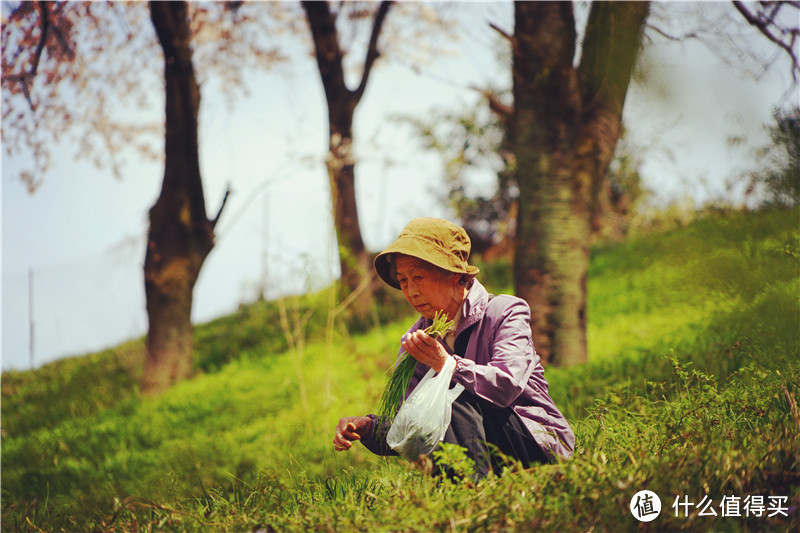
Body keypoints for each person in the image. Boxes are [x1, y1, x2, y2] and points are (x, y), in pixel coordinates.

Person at [333, 217, 574, 478]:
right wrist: (368, 427)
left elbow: (506, 385)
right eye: (403, 281)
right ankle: (467, 499)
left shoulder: (506, 311)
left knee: (451, 396)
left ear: (455, 275)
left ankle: (471, 496)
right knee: (442, 403)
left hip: (534, 444)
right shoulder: (417, 339)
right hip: (484, 457)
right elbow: (414, 424)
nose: (411, 291)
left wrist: (448, 366)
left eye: (419, 277)